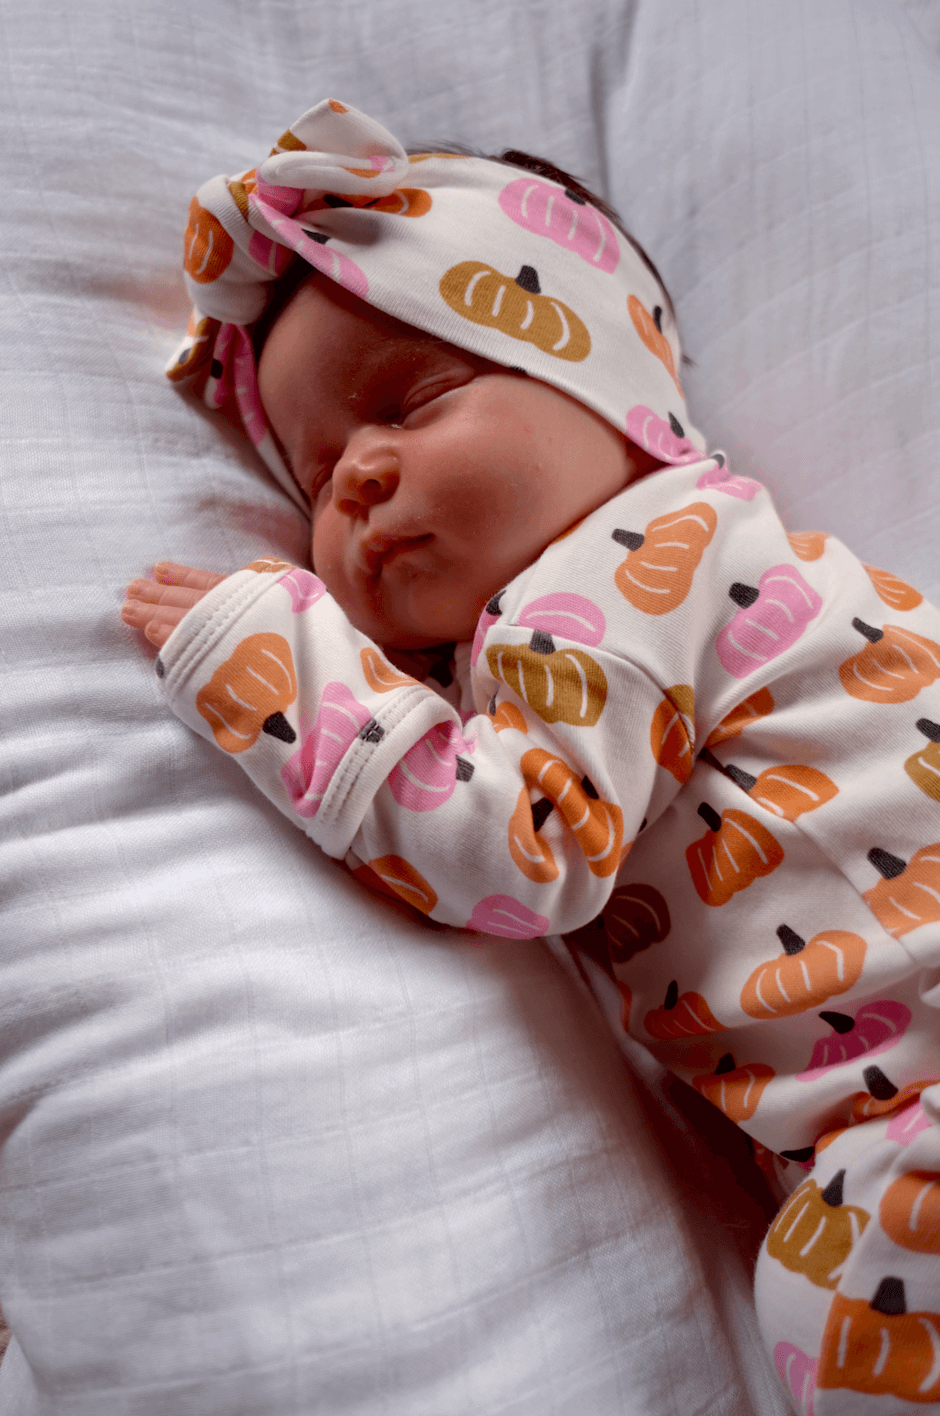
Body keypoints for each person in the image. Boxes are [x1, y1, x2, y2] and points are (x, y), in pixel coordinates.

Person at [122, 99, 940, 1414]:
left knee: (842, 1309)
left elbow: (519, 849)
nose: (358, 479)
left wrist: (274, 664)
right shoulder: (710, 574)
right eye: (318, 477)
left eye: (413, 402)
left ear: (605, 387)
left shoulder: (617, 573)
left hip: (910, 1110)